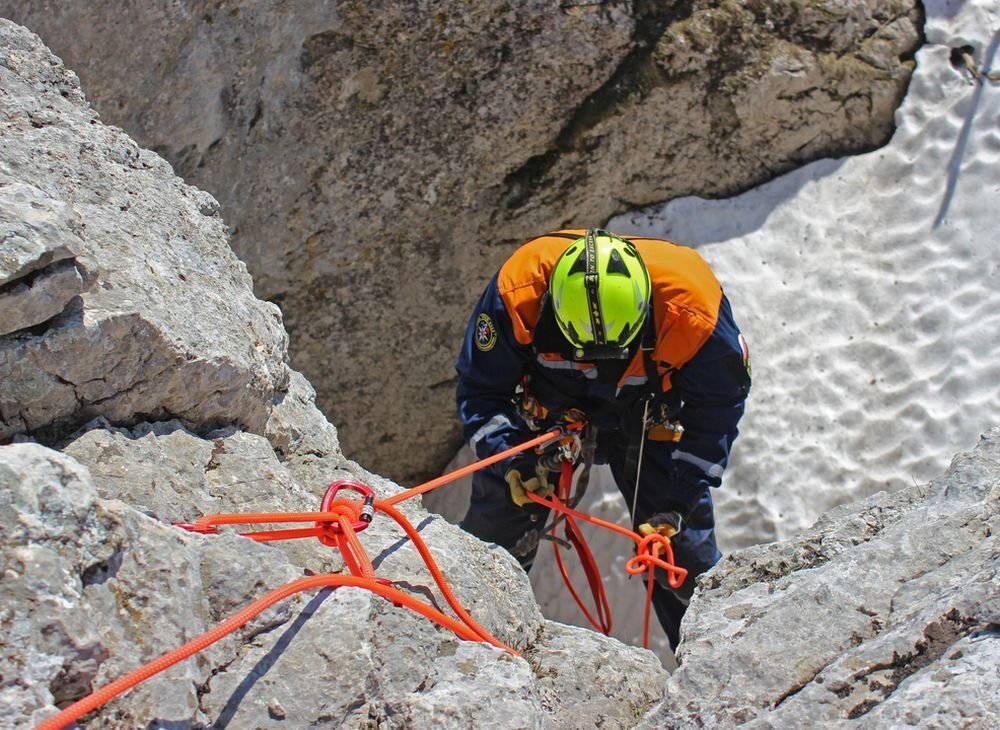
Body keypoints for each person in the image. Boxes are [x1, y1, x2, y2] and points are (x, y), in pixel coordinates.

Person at [454, 228, 751, 650]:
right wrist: (511, 461)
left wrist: (680, 500)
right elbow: (482, 393)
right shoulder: (517, 293)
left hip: (648, 412)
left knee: (679, 552)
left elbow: (717, 408)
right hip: (551, 407)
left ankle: (717, 656)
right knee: (498, 525)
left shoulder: (693, 310)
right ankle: (469, 633)